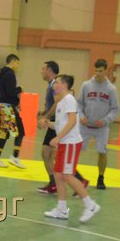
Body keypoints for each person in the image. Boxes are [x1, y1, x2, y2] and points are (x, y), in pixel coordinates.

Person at [40, 75, 101, 223]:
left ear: (64, 85)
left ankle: (90, 205)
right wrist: (48, 123)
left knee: (67, 175)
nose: (54, 85)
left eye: (57, 83)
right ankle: (62, 210)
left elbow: (73, 121)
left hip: (70, 143)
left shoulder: (69, 100)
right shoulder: (61, 102)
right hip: (64, 143)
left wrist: (58, 138)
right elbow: (61, 124)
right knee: (58, 174)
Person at [77, 59, 119, 190]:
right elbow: (78, 104)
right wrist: (81, 116)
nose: (97, 73)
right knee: (76, 150)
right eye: (96, 71)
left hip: (102, 127)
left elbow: (115, 109)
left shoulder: (111, 89)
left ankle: (101, 177)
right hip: (85, 126)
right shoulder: (86, 85)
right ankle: (75, 176)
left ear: (105, 71)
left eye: (100, 71)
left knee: (102, 152)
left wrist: (105, 120)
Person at [0, 53, 26, 168]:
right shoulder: (10, 74)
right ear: (13, 62)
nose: (18, 66)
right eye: (17, 63)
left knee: (4, 133)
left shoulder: (1, 74)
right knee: (21, 131)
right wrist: (19, 89)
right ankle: (15, 157)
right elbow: (11, 92)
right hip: (8, 108)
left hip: (1, 106)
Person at [36, 60, 59, 193]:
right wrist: (44, 112)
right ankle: (54, 182)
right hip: (54, 121)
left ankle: (78, 180)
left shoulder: (54, 85)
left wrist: (45, 117)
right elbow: (52, 105)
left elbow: (57, 104)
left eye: (43, 69)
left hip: (56, 122)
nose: (41, 72)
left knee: (48, 153)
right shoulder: (51, 85)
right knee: (47, 153)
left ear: (49, 71)